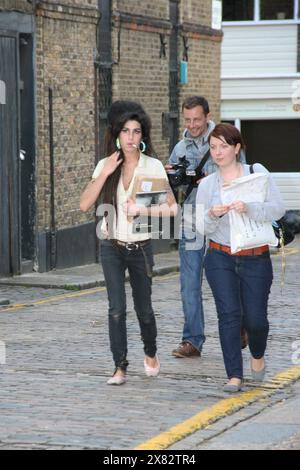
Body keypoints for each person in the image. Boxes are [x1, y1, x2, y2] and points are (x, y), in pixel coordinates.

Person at [80, 101, 177, 385]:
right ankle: (120, 366)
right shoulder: (106, 164)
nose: (131, 137)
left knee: (144, 311)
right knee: (116, 308)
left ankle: (150, 351)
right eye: (125, 131)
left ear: (142, 136)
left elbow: (172, 208)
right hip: (111, 245)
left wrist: (143, 210)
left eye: (136, 132)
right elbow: (86, 203)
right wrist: (106, 171)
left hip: (141, 247)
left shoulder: (153, 166)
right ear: (117, 135)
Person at [196, 123, 285, 392]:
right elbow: (200, 226)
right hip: (220, 256)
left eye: (224, 146)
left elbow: (278, 209)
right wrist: (212, 214)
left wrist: (249, 208)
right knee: (229, 315)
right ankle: (234, 374)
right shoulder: (208, 184)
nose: (218, 152)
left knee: (256, 321)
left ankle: (257, 355)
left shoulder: (256, 173)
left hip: (255, 257)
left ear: (236, 148)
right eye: (213, 147)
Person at [166, 96, 247, 358]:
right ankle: (192, 340)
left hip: (225, 219)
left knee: (228, 278)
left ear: (208, 116)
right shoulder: (180, 147)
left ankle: (240, 327)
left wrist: (212, 181)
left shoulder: (225, 140)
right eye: (187, 120)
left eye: (197, 120)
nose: (192, 125)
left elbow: (243, 176)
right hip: (191, 219)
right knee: (189, 282)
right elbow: (173, 187)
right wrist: (172, 177)